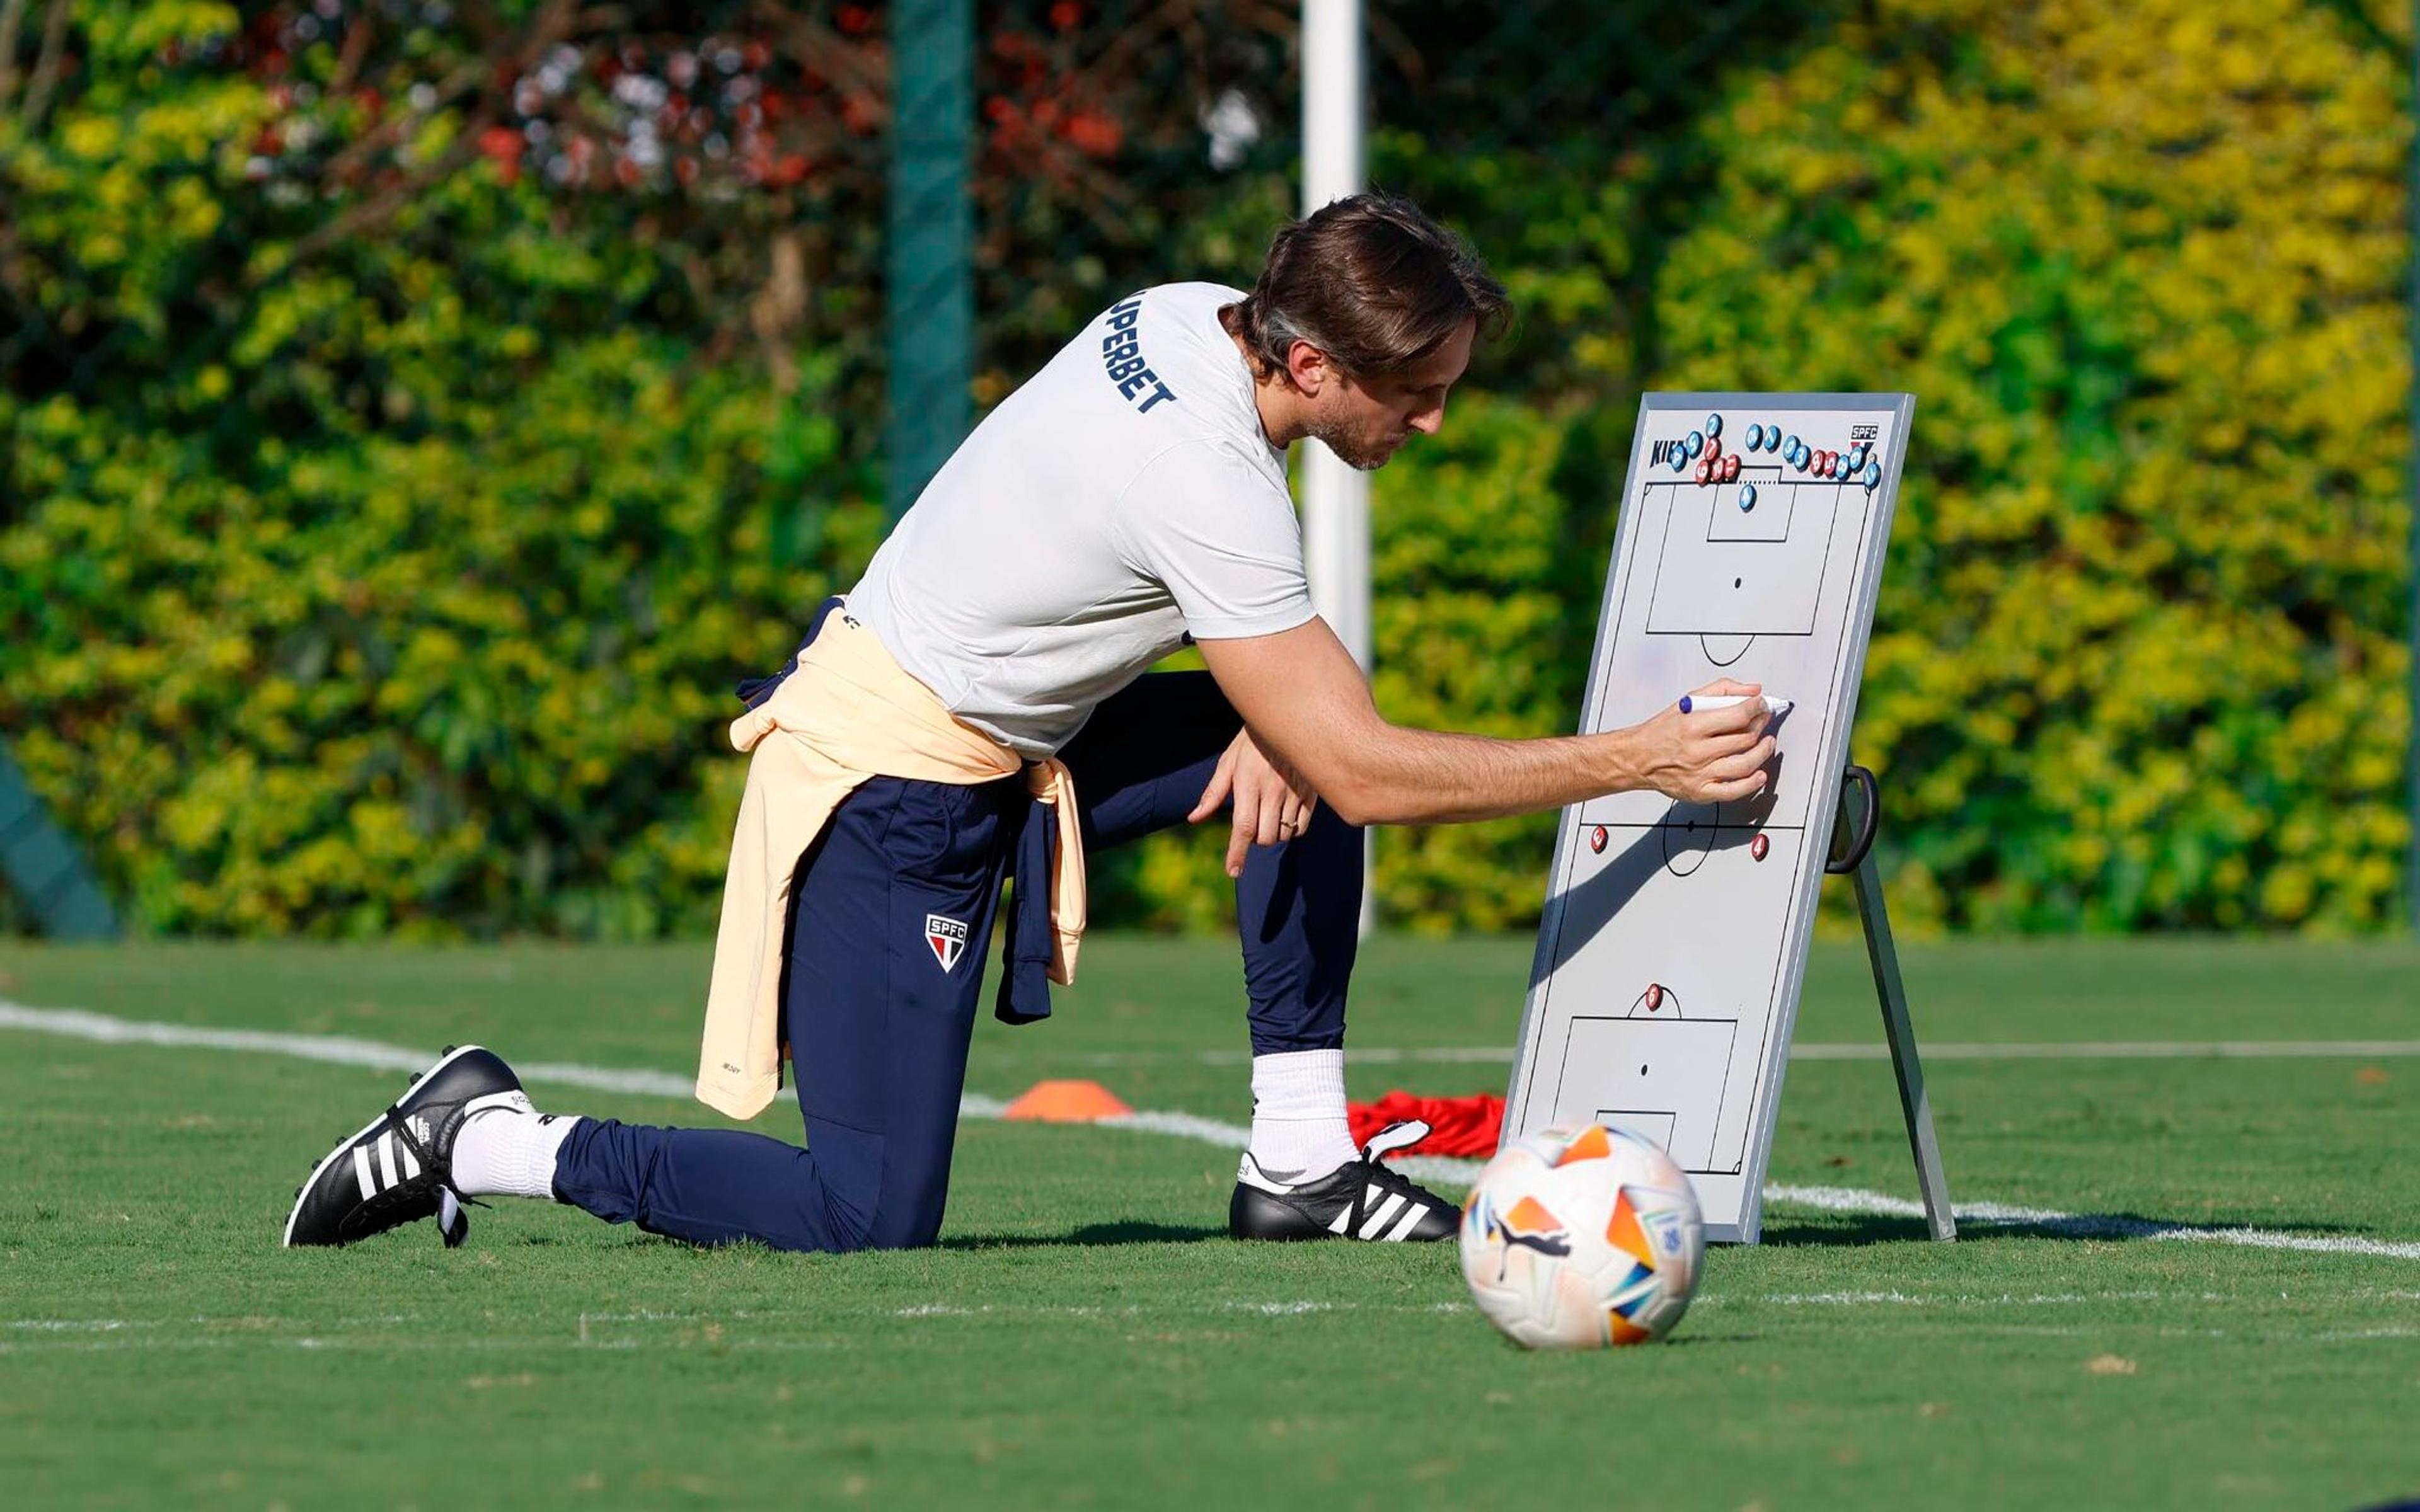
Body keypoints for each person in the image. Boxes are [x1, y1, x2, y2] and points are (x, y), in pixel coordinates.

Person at [280, 193, 1778, 1255]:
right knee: (864, 1216)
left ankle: (1302, 1166)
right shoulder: (1206, 471)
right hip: (895, 783)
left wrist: (1290, 728)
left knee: (1305, 744)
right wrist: (1637, 759)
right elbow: (1369, 778)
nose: (1436, 420)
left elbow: (1314, 732)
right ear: (1312, 365)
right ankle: (488, 1139)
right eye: (1421, 392)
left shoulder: (1195, 314)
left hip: (1020, 736)